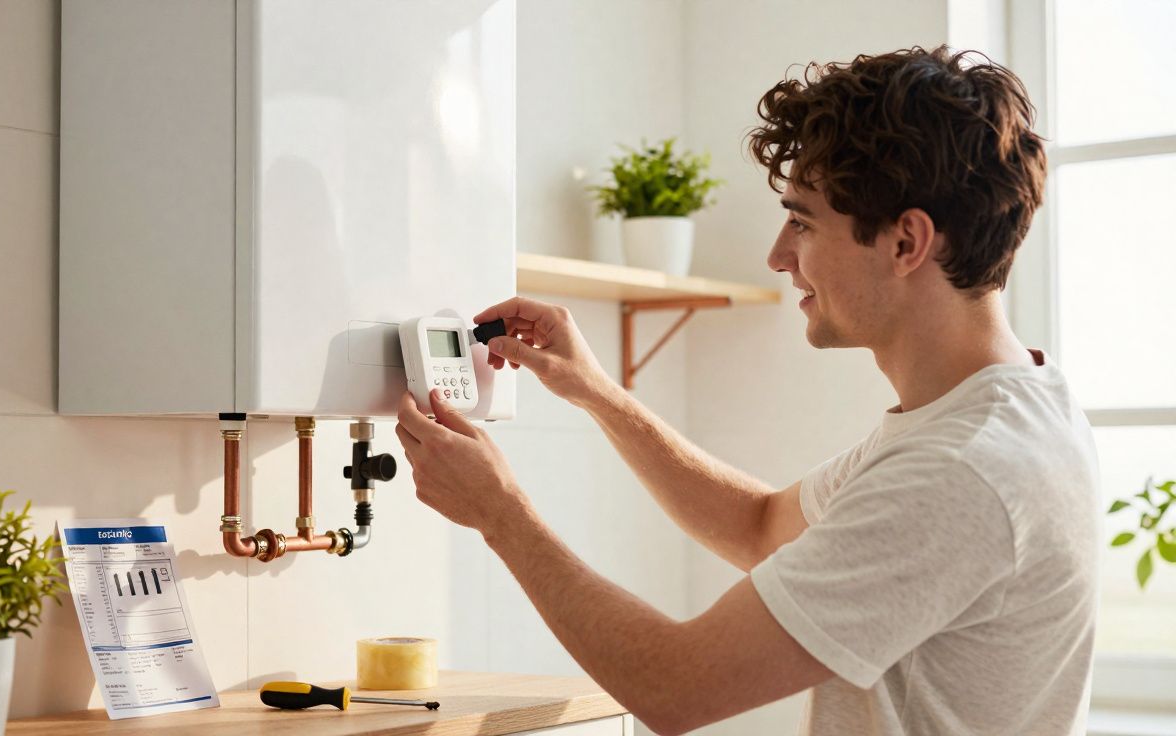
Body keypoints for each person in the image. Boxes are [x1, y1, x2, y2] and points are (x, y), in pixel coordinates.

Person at [394, 46, 1098, 735]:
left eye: (802, 220)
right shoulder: (1018, 406)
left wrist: (501, 514)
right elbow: (760, 528)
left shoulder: (959, 473)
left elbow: (673, 687)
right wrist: (599, 394)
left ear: (906, 243)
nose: (778, 255)